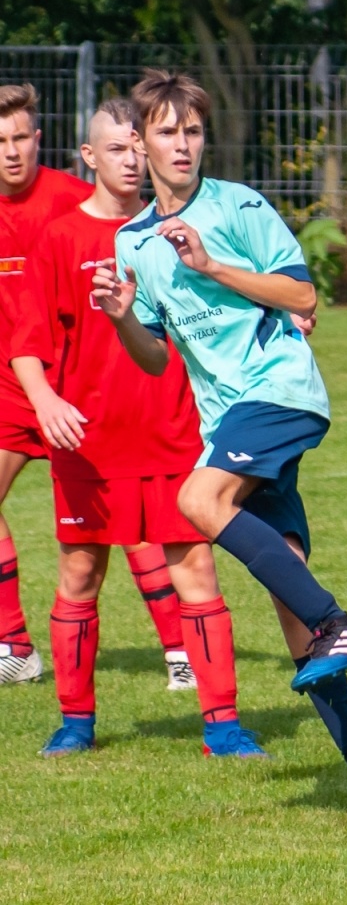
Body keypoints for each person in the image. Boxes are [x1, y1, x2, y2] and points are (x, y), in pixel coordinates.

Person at [93, 69, 347, 827]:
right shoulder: (132, 242)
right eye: (167, 132)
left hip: (281, 392)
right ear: (140, 142)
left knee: (196, 500)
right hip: (227, 418)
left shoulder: (239, 207)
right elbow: (158, 358)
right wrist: (126, 316)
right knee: (290, 607)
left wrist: (211, 266)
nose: (183, 144)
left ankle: (338, 620)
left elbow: (303, 297)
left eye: (192, 131)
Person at [12, 98, 263, 757]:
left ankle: (224, 727)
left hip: (177, 436)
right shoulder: (60, 239)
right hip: (90, 448)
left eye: (137, 145)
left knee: (198, 575)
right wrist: (45, 402)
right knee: (79, 579)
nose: (132, 159)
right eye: (117, 149)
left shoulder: (179, 230)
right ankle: (75, 723)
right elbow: (25, 344)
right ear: (90, 157)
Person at [0, 83, 190, 689]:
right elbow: (30, 329)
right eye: (0, 140)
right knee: (87, 556)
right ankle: (17, 647)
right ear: (92, 151)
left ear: (41, 139)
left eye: (21, 137)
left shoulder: (92, 206)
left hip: (113, 399)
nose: (11, 151)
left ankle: (182, 655)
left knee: (138, 532)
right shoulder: (63, 231)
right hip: (27, 386)